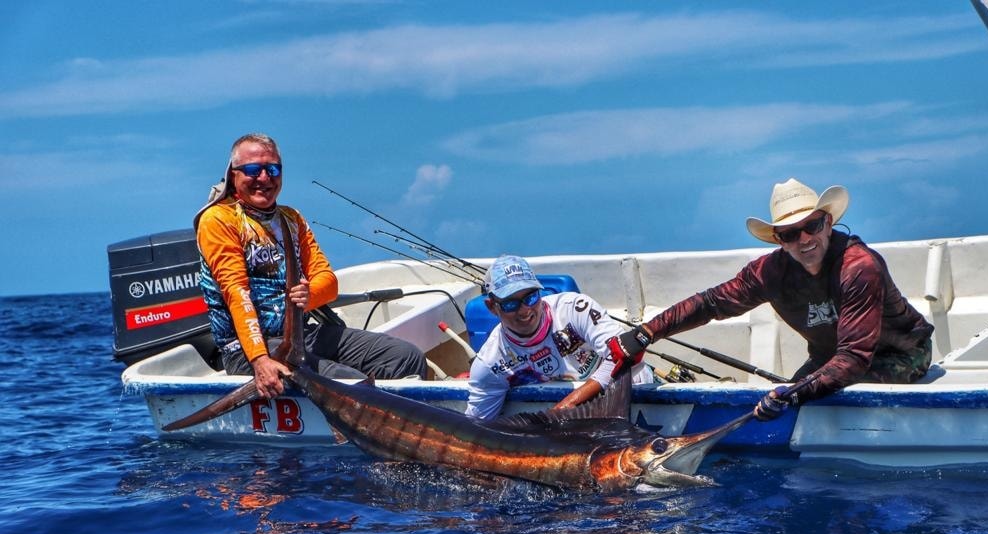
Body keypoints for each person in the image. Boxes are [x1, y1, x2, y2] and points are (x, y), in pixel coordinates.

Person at [610, 178, 934, 420]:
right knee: (787, 407)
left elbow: (853, 359)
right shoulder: (768, 273)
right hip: (828, 360)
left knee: (800, 400)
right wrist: (646, 333)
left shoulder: (859, 267)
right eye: (791, 234)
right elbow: (711, 303)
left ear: (828, 222)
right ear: (779, 239)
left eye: (811, 226)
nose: (804, 239)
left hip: (899, 355)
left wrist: (794, 394)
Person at [194, 132, 427, 398]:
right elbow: (236, 292)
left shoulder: (291, 219)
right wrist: (259, 360)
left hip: (301, 337)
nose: (264, 178)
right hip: (247, 350)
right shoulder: (218, 220)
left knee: (405, 357)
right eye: (252, 170)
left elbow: (328, 281)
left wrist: (309, 295)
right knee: (351, 383)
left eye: (272, 169)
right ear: (233, 174)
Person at [465, 254, 653, 420]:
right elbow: (477, 426)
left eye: (531, 297)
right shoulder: (489, 363)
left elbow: (628, 352)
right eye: (510, 304)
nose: (524, 310)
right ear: (491, 307)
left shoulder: (576, 308)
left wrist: (570, 403)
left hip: (629, 399)